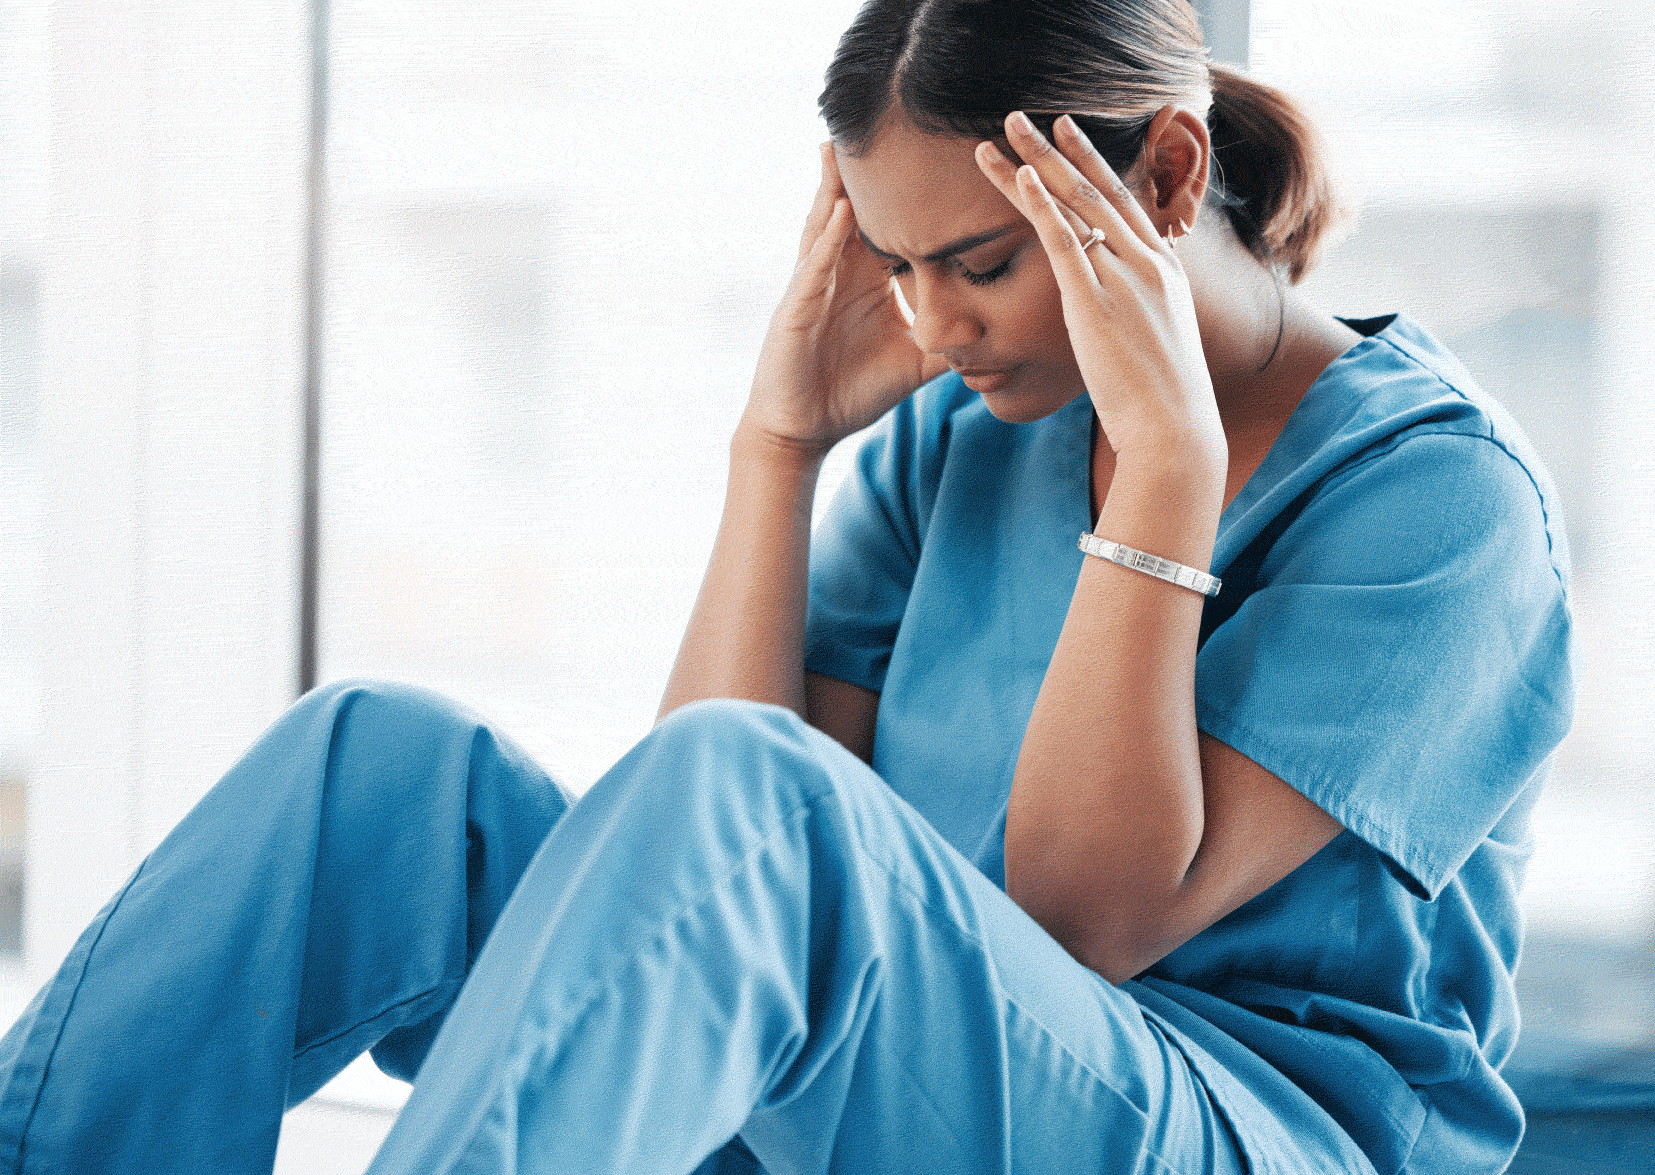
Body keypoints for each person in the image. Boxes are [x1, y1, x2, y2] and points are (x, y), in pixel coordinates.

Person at [0, 1, 1573, 1173]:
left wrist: (1163, 472)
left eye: (977, 261)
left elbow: (1087, 919)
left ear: (1164, 175)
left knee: (758, 789)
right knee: (376, 767)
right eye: (896, 264)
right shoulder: (970, 431)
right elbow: (695, 839)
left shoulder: (1439, 504)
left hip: (1227, 1116)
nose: (935, 322)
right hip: (921, 1066)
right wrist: (779, 445)